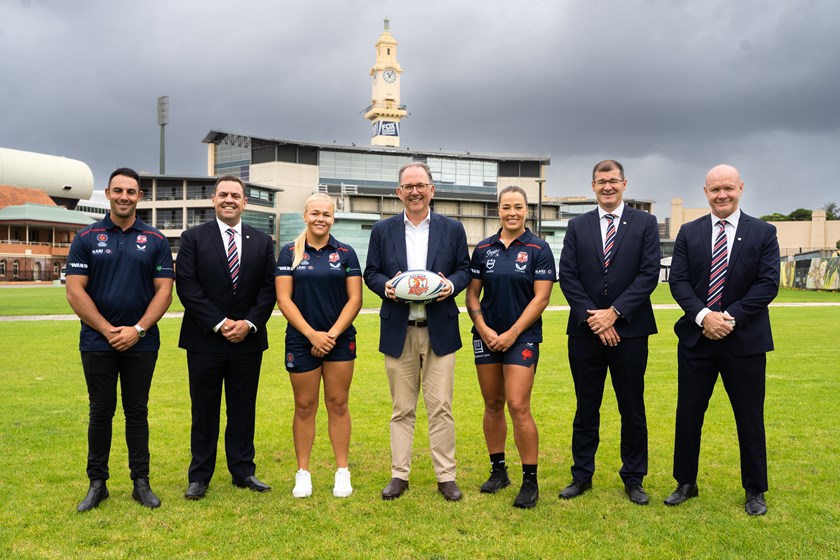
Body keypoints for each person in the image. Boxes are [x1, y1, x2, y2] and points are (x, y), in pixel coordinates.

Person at [666, 164, 779, 516]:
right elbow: (678, 281)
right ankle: (686, 482)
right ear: (706, 192)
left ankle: (755, 489)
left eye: (728, 187)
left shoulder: (763, 232)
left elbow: (767, 283)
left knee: (749, 417)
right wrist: (704, 316)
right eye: (715, 189)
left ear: (740, 187)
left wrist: (728, 318)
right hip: (697, 340)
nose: (722, 194)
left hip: (744, 341)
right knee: (688, 414)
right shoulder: (689, 232)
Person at [65, 167, 174, 512]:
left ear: (139, 196)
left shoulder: (155, 240)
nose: (124, 197)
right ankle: (97, 484)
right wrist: (106, 329)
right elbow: (75, 291)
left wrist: (137, 330)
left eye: (130, 191)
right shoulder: (86, 237)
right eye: (118, 190)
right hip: (97, 342)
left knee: (137, 411)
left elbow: (165, 292)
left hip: (142, 342)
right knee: (100, 411)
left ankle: (141, 483)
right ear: (108, 193)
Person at [364, 162, 471, 502]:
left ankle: (446, 477)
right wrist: (386, 287)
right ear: (399, 192)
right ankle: (399, 475)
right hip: (399, 329)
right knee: (402, 409)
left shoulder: (452, 229)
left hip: (440, 328)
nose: (415, 192)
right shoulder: (382, 230)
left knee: (441, 407)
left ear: (431, 190)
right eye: (408, 186)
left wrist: (450, 286)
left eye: (421, 185)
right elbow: (371, 273)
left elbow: (464, 270)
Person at [557, 160, 660, 505]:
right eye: (601, 181)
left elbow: (648, 274)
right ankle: (581, 475)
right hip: (585, 333)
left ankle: (634, 477)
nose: (607, 186)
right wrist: (595, 319)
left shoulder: (644, 223)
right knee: (586, 406)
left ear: (624, 184)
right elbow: (568, 275)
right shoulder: (577, 225)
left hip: (630, 331)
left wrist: (614, 313)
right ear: (593, 186)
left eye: (613, 180)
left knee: (632, 407)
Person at [176, 175, 277, 500]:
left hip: (248, 341)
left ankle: (243, 471)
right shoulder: (193, 238)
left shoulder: (262, 241)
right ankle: (199, 476)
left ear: (244, 202)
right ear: (213, 200)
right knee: (204, 410)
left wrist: (249, 323)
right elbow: (187, 286)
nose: (229, 199)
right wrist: (219, 323)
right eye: (223, 194)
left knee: (243, 408)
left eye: (235, 195)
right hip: (205, 340)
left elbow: (269, 288)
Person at [465, 185, 555, 509]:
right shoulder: (483, 249)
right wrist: (484, 328)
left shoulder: (538, 248)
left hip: (523, 338)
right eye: (506, 207)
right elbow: (472, 295)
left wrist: (512, 333)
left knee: (518, 405)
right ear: (498, 210)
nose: (512, 212)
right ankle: (498, 471)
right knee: (492, 403)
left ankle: (530, 481)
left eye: (518, 206)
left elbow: (541, 298)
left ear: (526, 210)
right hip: (487, 337)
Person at [275, 193, 362, 498]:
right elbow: (283, 299)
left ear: (333, 218)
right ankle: (303, 474)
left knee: (338, 403)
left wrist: (330, 336)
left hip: (339, 340)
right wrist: (312, 335)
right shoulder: (289, 253)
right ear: (305, 216)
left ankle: (342, 472)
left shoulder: (346, 253)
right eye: (314, 213)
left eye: (326, 214)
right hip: (301, 340)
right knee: (304, 406)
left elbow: (355, 300)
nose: (320, 218)